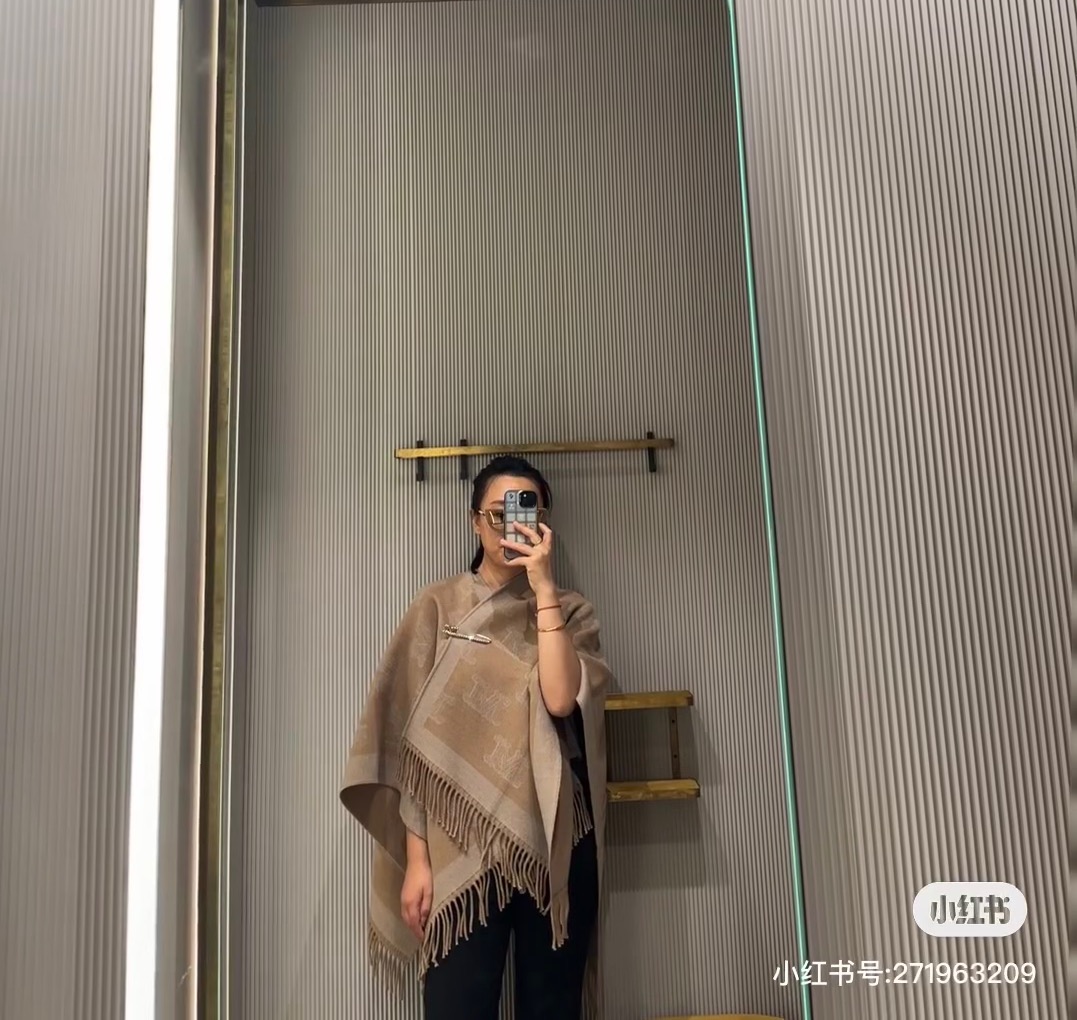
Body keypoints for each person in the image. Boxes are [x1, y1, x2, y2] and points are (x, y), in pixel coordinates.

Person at [340, 455, 611, 1020]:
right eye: (497, 513)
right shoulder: (437, 608)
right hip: (456, 844)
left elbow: (561, 698)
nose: (510, 525)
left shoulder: (570, 611)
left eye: (527, 511)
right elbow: (411, 751)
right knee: (456, 1005)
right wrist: (418, 860)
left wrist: (543, 587)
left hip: (553, 841)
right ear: (474, 522)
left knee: (553, 1008)